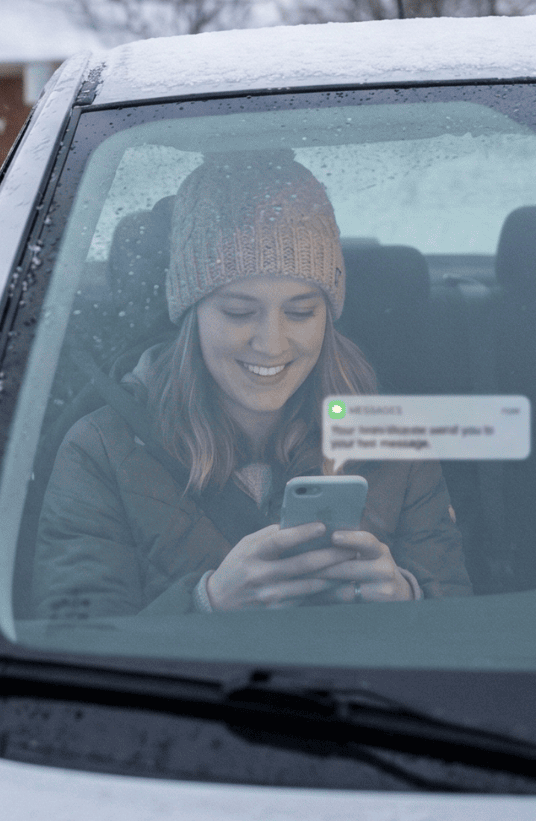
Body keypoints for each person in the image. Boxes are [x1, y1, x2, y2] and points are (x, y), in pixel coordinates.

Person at [34, 151, 471, 618]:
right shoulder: (101, 451)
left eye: (301, 312)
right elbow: (72, 641)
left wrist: (406, 599)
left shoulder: (394, 441)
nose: (271, 342)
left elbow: (462, 627)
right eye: (238, 312)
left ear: (330, 315)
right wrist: (207, 603)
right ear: (191, 313)